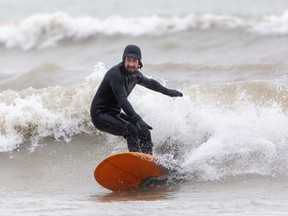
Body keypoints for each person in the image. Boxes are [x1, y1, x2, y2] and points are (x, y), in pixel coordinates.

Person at [90, 45, 183, 155]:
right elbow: (123, 100)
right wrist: (138, 119)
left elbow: (150, 83)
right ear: (123, 60)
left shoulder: (136, 75)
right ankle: (137, 160)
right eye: (128, 60)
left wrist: (168, 91)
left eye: (134, 61)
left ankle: (148, 158)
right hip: (100, 115)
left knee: (144, 130)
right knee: (131, 129)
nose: (131, 64)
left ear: (139, 63)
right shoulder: (116, 75)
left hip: (115, 113)